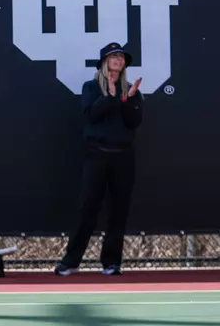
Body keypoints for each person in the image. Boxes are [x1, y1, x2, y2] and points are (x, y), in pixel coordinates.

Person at [54, 42, 143, 276]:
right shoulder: (91, 87)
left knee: (118, 211)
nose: (118, 60)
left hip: (123, 158)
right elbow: (91, 115)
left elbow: (134, 122)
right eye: (113, 56)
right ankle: (70, 261)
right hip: (96, 155)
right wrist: (111, 96)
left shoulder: (131, 91)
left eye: (121, 57)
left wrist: (129, 101)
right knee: (87, 209)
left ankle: (112, 262)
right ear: (104, 61)